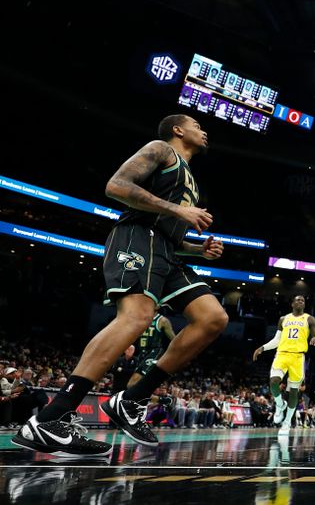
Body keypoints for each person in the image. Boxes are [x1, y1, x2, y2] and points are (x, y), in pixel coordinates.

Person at [13, 114, 228, 457]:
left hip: (167, 253)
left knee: (213, 318)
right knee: (136, 317)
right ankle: (51, 419)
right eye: (197, 125)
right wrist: (177, 209)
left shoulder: (192, 180)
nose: (204, 131)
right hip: (136, 238)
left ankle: (133, 399)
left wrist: (198, 249)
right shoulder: (161, 150)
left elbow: (171, 231)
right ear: (178, 130)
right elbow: (116, 186)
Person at [252, 295, 315, 435]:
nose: (300, 301)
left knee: (294, 391)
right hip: (282, 354)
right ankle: (279, 404)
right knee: (273, 381)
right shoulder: (283, 319)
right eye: (297, 300)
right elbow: (277, 340)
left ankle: (287, 422)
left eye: (303, 300)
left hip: (298, 356)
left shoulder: (309, 319)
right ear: (292, 303)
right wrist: (262, 348)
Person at [128, 313, 175, 387]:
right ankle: (153, 397)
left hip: (154, 352)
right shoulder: (141, 318)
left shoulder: (162, 320)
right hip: (142, 353)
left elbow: (174, 339)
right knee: (136, 384)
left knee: (132, 384)